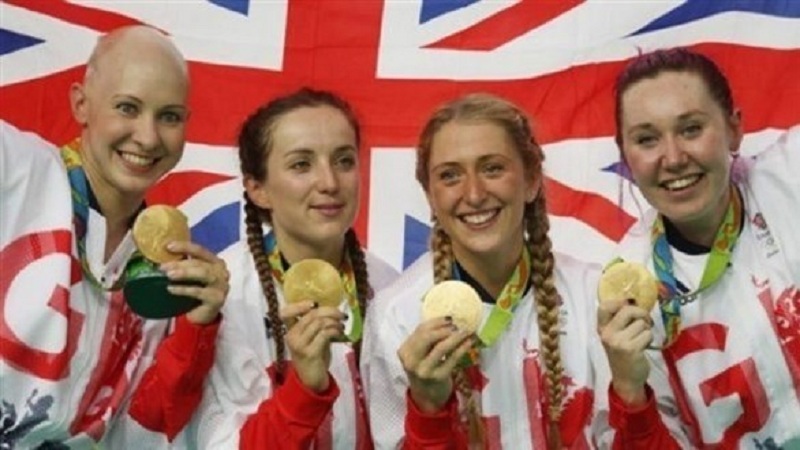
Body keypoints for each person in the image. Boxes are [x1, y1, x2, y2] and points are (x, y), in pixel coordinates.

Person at [0, 25, 228, 449]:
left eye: (169, 116)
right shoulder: (16, 169)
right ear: (81, 104)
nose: (148, 136)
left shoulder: (164, 270)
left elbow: (142, 433)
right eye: (127, 107)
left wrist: (196, 328)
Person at [365, 93, 608, 449]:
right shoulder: (396, 317)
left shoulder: (592, 295)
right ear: (430, 195)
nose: (475, 194)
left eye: (492, 168)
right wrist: (428, 410)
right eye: (450, 176)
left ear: (531, 180)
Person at [596, 47, 800, 448]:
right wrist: (631, 394)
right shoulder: (625, 298)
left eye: (690, 129)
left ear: (734, 129)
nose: (673, 158)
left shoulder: (791, 180)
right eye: (647, 139)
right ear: (626, 156)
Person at [187, 88, 398, 449]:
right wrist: (304, 389)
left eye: (344, 161)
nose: (330, 183)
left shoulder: (391, 290)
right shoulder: (224, 298)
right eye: (301, 164)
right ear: (258, 189)